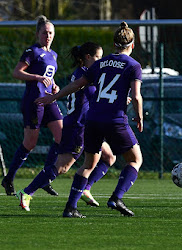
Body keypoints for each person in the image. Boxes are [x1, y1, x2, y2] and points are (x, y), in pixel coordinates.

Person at [35, 21, 143, 218]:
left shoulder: (101, 63)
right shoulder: (133, 65)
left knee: (88, 164)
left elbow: (77, 84)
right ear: (133, 45)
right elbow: (136, 96)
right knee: (135, 159)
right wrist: (140, 116)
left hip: (92, 120)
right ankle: (116, 197)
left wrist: (52, 97)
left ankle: (70, 207)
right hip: (115, 119)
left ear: (113, 45)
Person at [16, 42, 118, 211]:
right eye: (98, 57)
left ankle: (85, 189)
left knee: (109, 157)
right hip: (78, 127)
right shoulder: (85, 75)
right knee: (62, 167)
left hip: (87, 126)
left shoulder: (85, 73)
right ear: (87, 57)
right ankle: (27, 192)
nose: (100, 61)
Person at [1, 15, 62, 196]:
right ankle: (8, 178)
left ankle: (45, 178)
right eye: (44, 33)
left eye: (51, 33)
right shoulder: (32, 51)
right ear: (38, 34)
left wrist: (54, 85)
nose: (48, 36)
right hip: (34, 101)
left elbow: (48, 77)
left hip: (49, 100)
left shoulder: (54, 55)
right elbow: (17, 72)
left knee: (61, 136)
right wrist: (37, 77)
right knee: (30, 143)